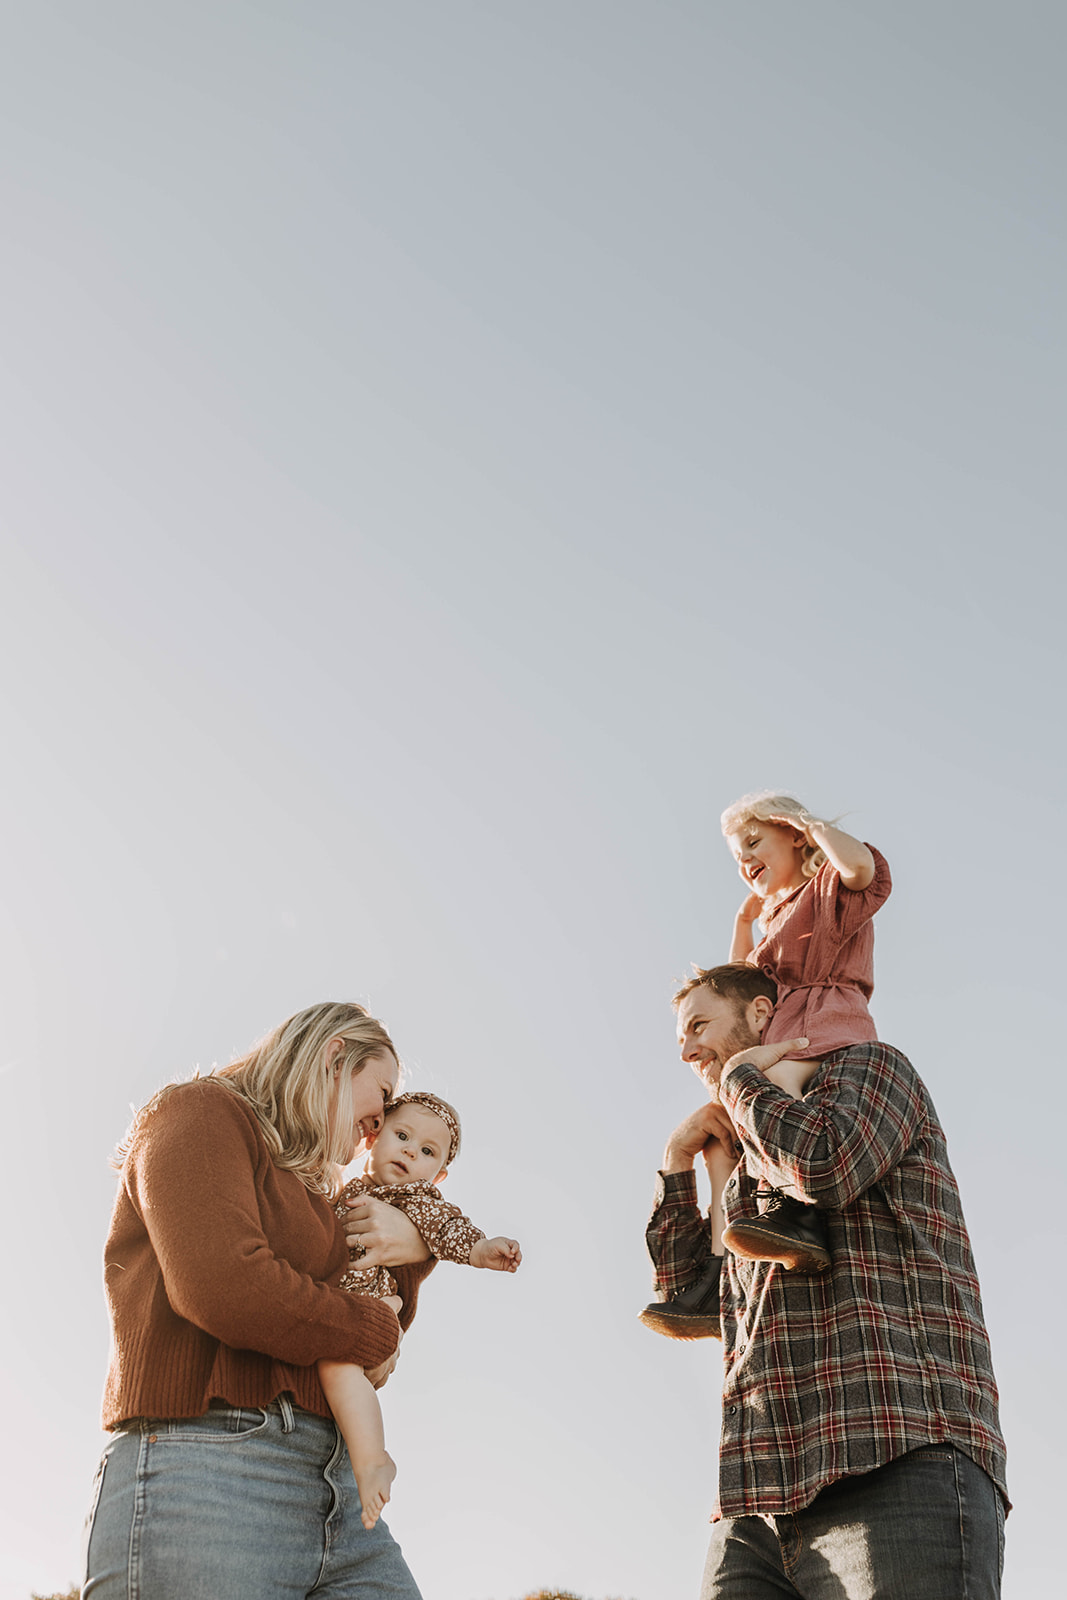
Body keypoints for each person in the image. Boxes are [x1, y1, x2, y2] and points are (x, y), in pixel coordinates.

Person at [647, 964, 1008, 1599]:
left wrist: (739, 1081)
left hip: (897, 1454)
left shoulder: (870, 1071)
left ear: (761, 1015)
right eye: (680, 1037)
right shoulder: (751, 1167)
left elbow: (826, 1164)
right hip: (754, 1499)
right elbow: (691, 1300)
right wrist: (679, 1163)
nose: (686, 1050)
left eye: (699, 1026)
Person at [82, 1001, 437, 1600]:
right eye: (379, 1093)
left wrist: (416, 1244)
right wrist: (374, 1334)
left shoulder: (320, 1201)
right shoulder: (198, 1111)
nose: (378, 1123)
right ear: (333, 1055)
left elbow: (368, 1321)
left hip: (341, 1493)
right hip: (211, 1468)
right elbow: (226, 1285)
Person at [319, 1090, 522, 1528]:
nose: (410, 1151)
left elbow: (446, 1227)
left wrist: (481, 1249)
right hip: (335, 1305)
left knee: (338, 1368)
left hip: (365, 1307)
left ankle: (373, 1459)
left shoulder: (414, 1200)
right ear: (373, 1139)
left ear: (439, 1175)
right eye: (402, 1135)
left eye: (426, 1151)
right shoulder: (343, 1188)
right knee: (333, 1372)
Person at [717, 791, 892, 1273]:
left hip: (825, 1017)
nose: (746, 858)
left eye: (754, 841)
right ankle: (729, 1254)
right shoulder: (773, 919)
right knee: (736, 1118)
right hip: (786, 1026)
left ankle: (797, 1217)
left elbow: (863, 869)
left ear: (794, 837)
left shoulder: (825, 890)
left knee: (771, 1090)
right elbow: (738, 980)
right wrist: (744, 920)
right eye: (738, 855)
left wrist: (808, 821)